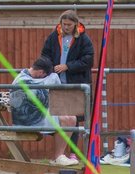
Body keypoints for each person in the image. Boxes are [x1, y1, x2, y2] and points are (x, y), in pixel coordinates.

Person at [41, 10, 94, 151]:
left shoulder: (84, 39)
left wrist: (68, 66)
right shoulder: (53, 37)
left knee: (73, 120)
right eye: (64, 24)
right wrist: (50, 68)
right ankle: (60, 153)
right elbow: (45, 55)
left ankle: (72, 152)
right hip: (57, 86)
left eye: (69, 25)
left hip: (74, 86)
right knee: (59, 120)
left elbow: (88, 60)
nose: (66, 27)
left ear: (76, 24)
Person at [10, 56, 79, 166]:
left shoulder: (43, 78)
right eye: (45, 75)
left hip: (41, 114)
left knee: (71, 118)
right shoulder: (20, 80)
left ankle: (59, 156)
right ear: (41, 72)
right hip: (27, 120)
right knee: (66, 119)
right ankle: (58, 157)